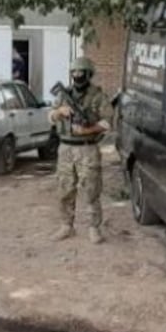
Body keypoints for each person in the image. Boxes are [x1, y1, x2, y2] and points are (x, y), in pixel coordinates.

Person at [49, 56, 111, 243]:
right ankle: (66, 225)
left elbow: (107, 122)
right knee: (65, 189)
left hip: (88, 149)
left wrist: (88, 130)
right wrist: (60, 112)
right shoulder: (62, 95)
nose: (77, 75)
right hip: (66, 148)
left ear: (88, 74)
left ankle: (94, 228)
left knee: (92, 190)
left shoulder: (98, 96)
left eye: (81, 72)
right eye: (74, 72)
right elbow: (50, 117)